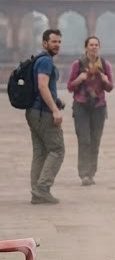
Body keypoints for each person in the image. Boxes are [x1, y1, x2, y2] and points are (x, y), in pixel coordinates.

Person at [66, 36, 113, 186]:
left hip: (99, 106)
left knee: (95, 141)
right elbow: (69, 87)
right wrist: (79, 79)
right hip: (81, 105)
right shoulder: (78, 64)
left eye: (96, 45)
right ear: (85, 48)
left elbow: (110, 87)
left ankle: (91, 173)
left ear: (99, 47)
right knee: (84, 140)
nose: (94, 47)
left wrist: (105, 80)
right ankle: (84, 173)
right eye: (91, 45)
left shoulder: (104, 65)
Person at [26, 29, 66, 204]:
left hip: (34, 111)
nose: (57, 45)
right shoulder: (45, 62)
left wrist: (56, 101)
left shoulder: (39, 60)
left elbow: (43, 87)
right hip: (43, 113)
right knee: (57, 150)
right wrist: (55, 110)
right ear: (44, 43)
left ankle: (37, 191)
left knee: (40, 152)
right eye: (53, 42)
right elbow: (42, 87)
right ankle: (42, 188)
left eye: (59, 42)